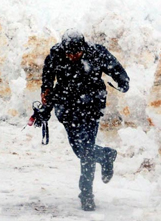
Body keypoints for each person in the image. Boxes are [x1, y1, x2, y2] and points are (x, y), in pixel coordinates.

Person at [32, 30, 130, 211]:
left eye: (77, 53)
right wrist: (45, 104)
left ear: (83, 48)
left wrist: (122, 82)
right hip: (67, 109)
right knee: (81, 150)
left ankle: (86, 194)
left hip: (91, 107)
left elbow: (116, 69)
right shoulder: (56, 54)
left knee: (85, 151)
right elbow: (47, 82)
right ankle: (106, 155)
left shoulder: (97, 52)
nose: (72, 57)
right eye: (69, 53)